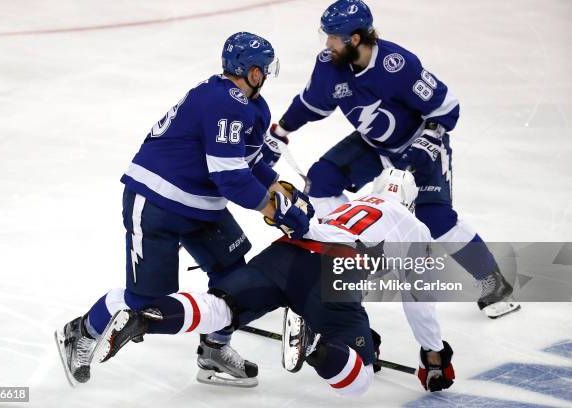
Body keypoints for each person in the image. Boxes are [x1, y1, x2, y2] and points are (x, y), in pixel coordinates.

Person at [55, 31, 313, 388]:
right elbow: (231, 178)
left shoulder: (252, 106)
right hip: (157, 202)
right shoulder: (223, 102)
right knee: (145, 302)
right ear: (252, 71)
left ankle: (213, 352)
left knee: (237, 282)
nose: (266, 75)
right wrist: (274, 210)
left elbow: (246, 165)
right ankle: (80, 331)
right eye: (263, 69)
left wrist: (279, 189)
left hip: (201, 205)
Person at [88, 169, 456, 397]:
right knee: (359, 379)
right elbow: (419, 301)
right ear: (408, 205)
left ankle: (144, 317)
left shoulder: (346, 207)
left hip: (286, 251)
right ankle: (314, 345)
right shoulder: (417, 229)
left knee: (221, 308)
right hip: (335, 270)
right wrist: (433, 354)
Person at [261, 0, 519, 318]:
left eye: (333, 37)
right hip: (373, 144)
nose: (327, 44)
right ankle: (358, 248)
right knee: (321, 181)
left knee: (436, 220)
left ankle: (493, 281)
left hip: (419, 146)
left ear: (355, 39)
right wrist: (282, 129)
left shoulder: (397, 65)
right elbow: (312, 103)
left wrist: (430, 138)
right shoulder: (329, 64)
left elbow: (445, 107)